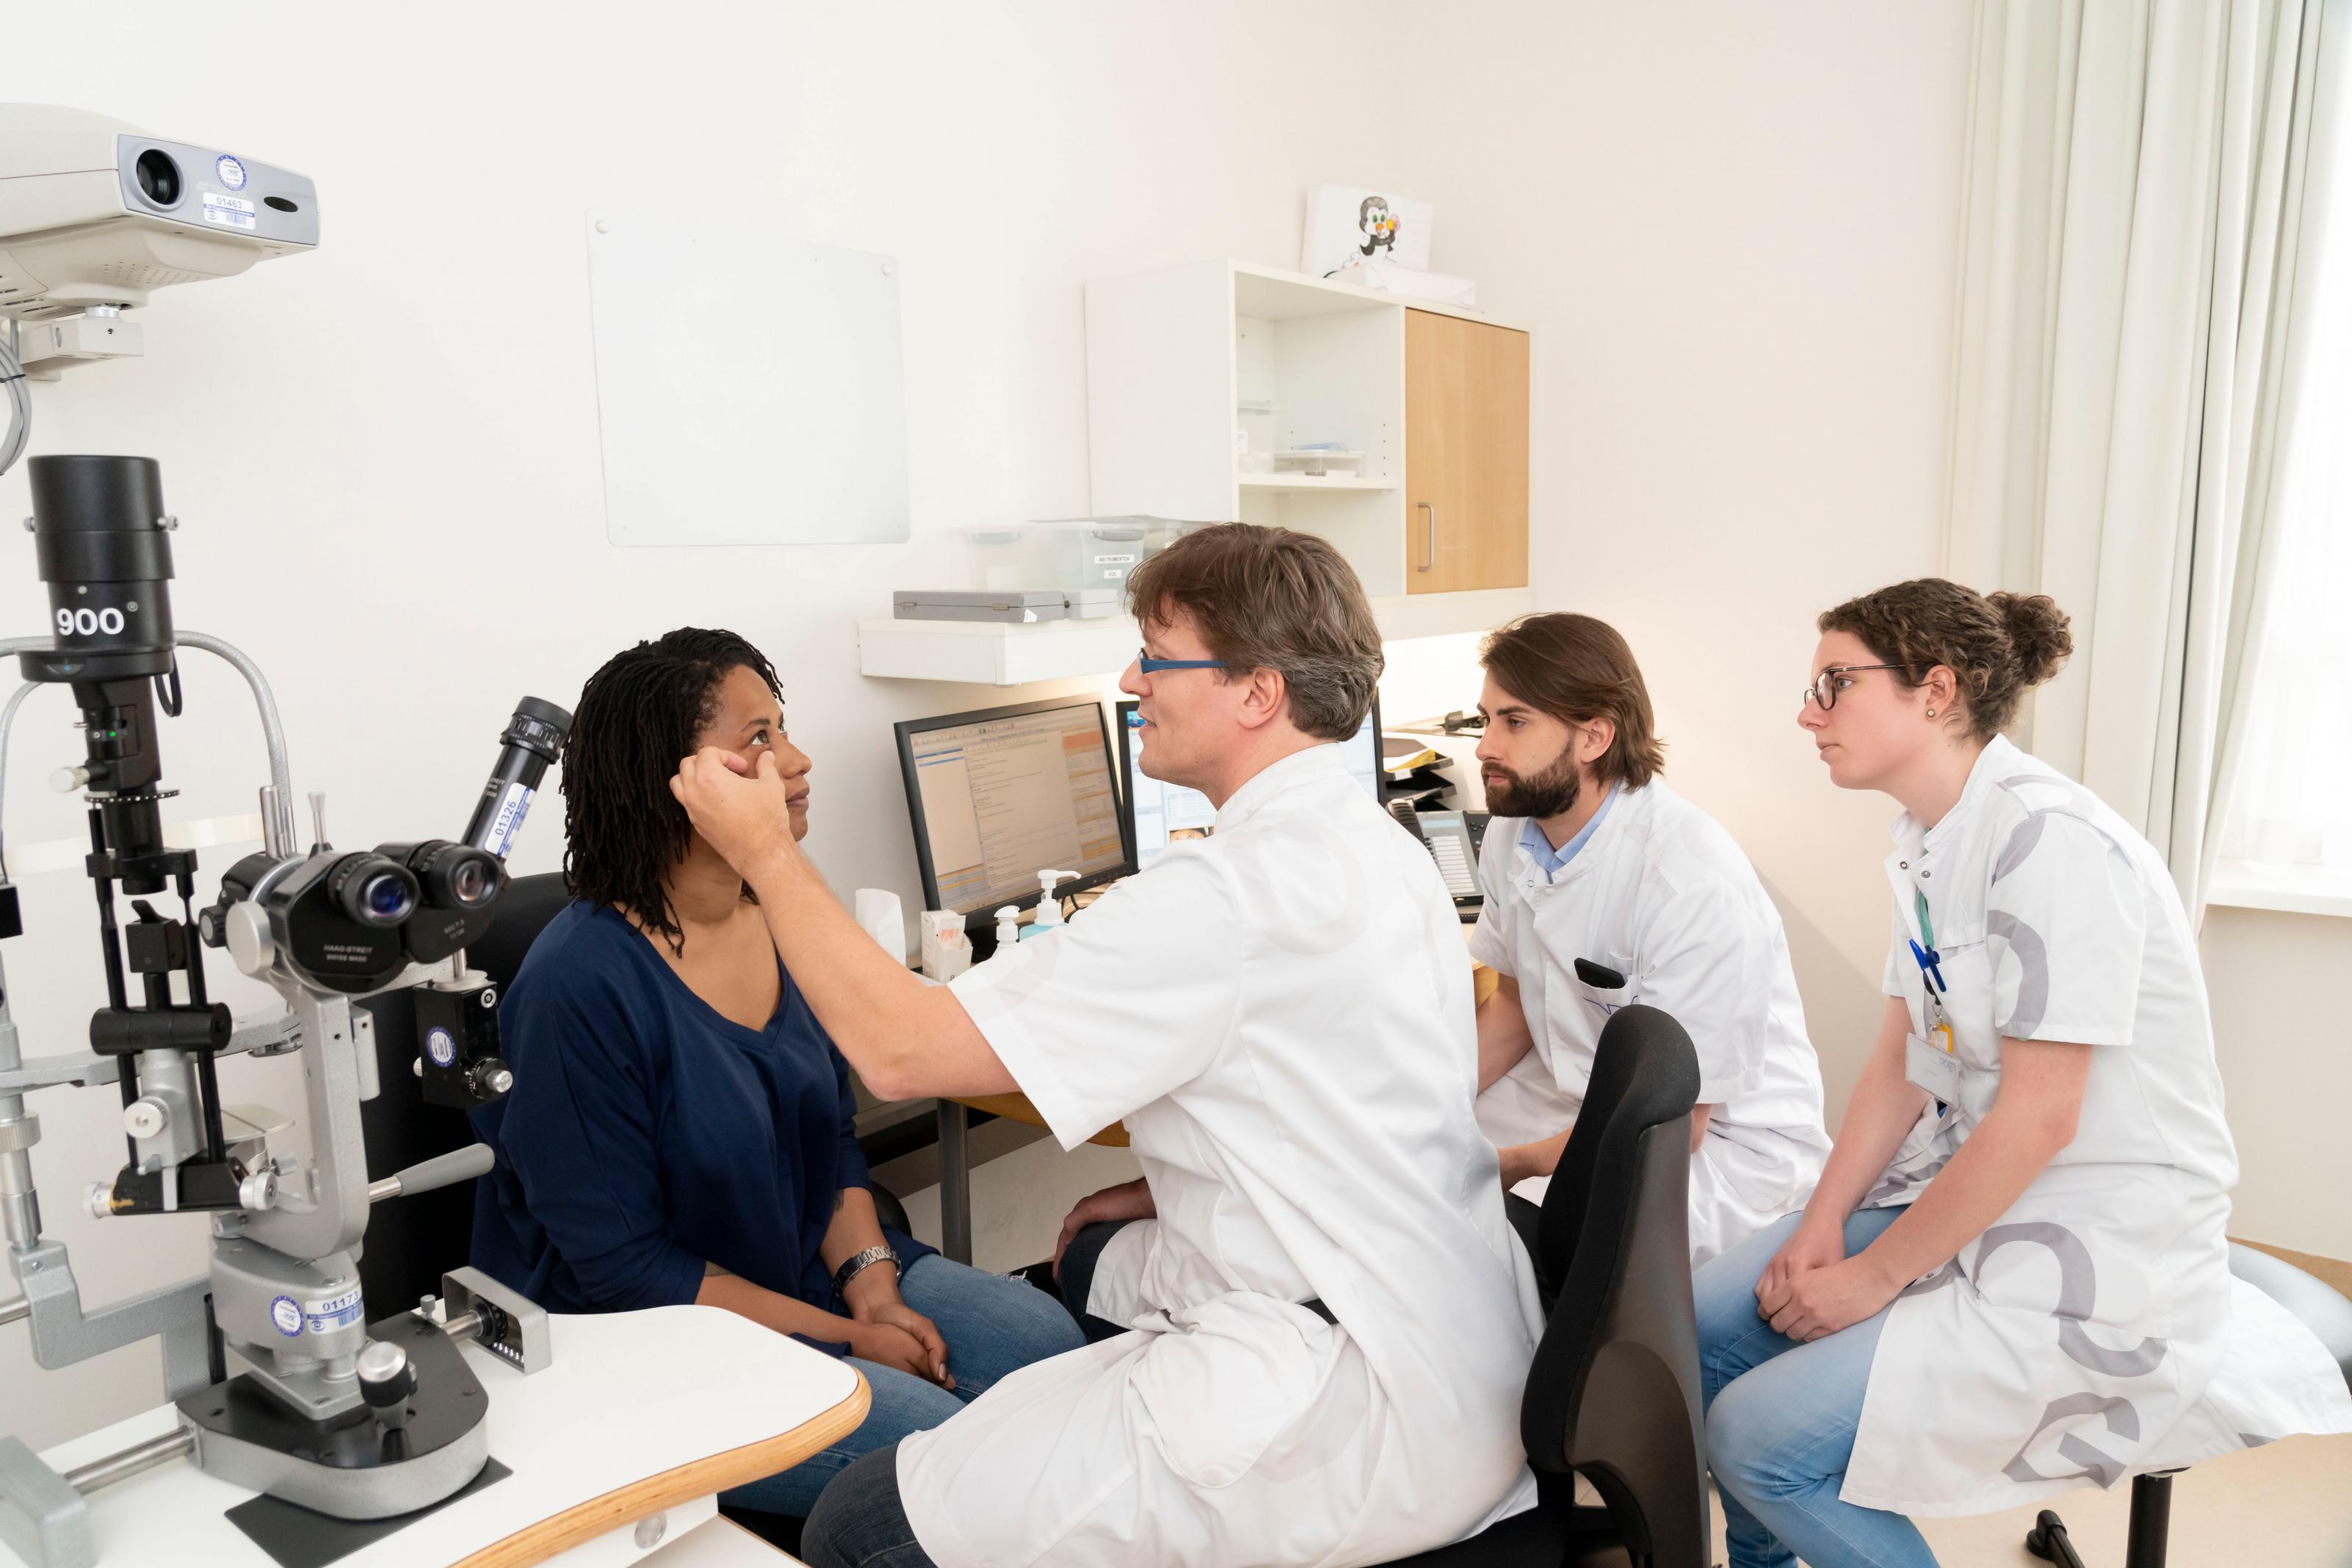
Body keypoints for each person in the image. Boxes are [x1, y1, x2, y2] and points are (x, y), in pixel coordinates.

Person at [670, 526, 1545, 1568]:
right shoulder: (1381, 846)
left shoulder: (1221, 899)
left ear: (1258, 691)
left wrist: (764, 849)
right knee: (1077, 1280)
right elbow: (1348, 1097)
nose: (1132, 679)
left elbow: (900, 1056)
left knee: (863, 1525)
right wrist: (1180, 1182)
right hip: (1453, 1344)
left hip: (1341, 1401)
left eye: (1157, 655)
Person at [1694, 579, 2352, 1568]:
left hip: (2090, 1246)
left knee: (1755, 1441)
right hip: (1982, 1198)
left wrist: (1875, 1276)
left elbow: (2042, 1116)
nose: (1806, 711)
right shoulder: (1927, 840)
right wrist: (1825, 1216)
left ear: (1936, 691)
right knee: (1706, 1323)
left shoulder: (2053, 848)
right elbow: (1901, 1058)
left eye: (1834, 683)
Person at [469, 628, 1083, 1520]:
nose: (793, 761)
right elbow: (631, 1274)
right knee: (932, 1450)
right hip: (653, 1343)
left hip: (808, 1272)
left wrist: (871, 1278)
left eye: (782, 729)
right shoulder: (578, 986)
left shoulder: (780, 907)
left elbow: (827, 1128)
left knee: (1046, 1344)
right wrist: (852, 1334)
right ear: (671, 777)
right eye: (756, 739)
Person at [1465, 613, 1829, 1265]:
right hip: (1574, 1097)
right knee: (1401, 1166)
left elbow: (1673, 1126)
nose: (1485, 746)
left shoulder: (1688, 880)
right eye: (1485, 719)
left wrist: (1511, 1164)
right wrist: (1428, 1097)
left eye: (1513, 723)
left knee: (1518, 1239)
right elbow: (1516, 1006)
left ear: (1594, 737)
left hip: (1710, 1145)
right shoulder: (1512, 833)